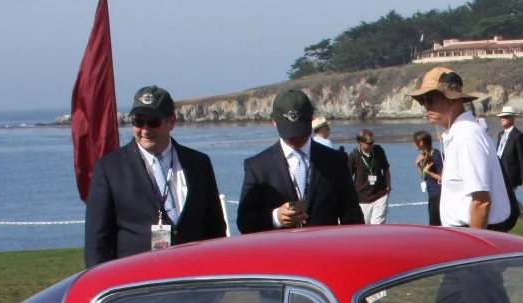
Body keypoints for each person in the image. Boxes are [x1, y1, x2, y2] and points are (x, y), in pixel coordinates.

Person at [84, 85, 226, 266]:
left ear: (171, 122)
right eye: (138, 122)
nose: (145, 130)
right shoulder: (109, 168)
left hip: (192, 274)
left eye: (153, 122)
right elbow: (96, 242)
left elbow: (215, 229)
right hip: (137, 277)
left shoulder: (199, 163)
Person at [236, 89, 362, 233]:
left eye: (300, 131)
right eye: (289, 133)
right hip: (280, 246)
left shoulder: (336, 161)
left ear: (312, 119)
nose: (295, 138)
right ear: (274, 121)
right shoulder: (258, 166)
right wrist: (276, 218)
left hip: (324, 245)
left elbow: (353, 216)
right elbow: (244, 222)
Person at [410, 67, 512, 231]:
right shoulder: (458, 134)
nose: (425, 106)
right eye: (422, 101)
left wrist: (474, 243)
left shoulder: (467, 136)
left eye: (430, 99)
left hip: (475, 231)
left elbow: (481, 201)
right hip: (465, 230)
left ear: (452, 101)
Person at [351, 130, 392, 225]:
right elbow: (347, 178)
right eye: (369, 143)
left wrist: (388, 186)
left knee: (377, 226)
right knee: (365, 227)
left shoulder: (378, 150)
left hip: (380, 195)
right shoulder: (354, 156)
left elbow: (386, 168)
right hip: (362, 198)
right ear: (361, 143)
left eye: (373, 142)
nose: (372, 145)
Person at [413, 131, 443, 226]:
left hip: (438, 194)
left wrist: (428, 172)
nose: (414, 144)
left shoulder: (436, 155)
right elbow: (424, 177)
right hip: (431, 193)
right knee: (433, 222)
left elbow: (442, 178)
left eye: (415, 142)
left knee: (436, 223)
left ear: (421, 142)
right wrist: (417, 165)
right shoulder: (425, 155)